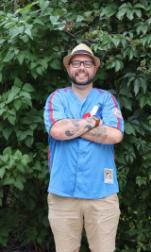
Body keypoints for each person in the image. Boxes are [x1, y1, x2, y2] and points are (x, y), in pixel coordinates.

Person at [43, 43, 124, 252]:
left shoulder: (107, 99)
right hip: (63, 195)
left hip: (102, 195)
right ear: (68, 68)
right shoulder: (56, 98)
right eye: (76, 62)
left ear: (95, 69)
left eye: (87, 63)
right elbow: (57, 132)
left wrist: (72, 125)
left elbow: (115, 135)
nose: (81, 67)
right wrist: (93, 122)